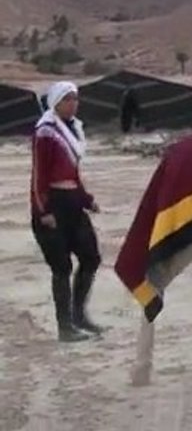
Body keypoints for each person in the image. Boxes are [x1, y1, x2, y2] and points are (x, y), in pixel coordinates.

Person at [30, 81, 105, 342]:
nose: (73, 103)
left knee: (91, 257)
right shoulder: (45, 133)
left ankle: (78, 316)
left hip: (73, 203)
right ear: (56, 102)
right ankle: (65, 327)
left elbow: (73, 175)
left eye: (75, 98)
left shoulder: (72, 131)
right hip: (52, 206)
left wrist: (86, 200)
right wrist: (43, 211)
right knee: (61, 267)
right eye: (67, 99)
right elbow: (39, 176)